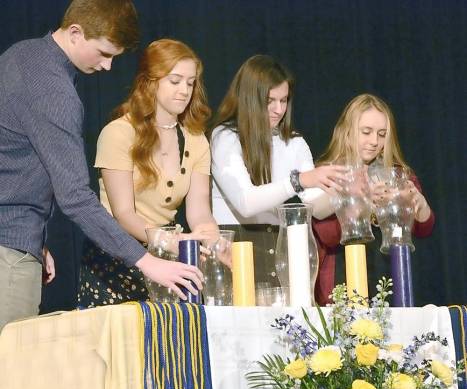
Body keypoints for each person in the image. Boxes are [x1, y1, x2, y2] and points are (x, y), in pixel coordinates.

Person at [0, 0, 202, 330]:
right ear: (75, 33)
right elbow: (76, 198)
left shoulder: (22, 55)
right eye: (104, 53)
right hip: (8, 252)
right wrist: (147, 262)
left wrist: (32, 240)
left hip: (14, 240)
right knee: (10, 374)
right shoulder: (54, 89)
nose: (107, 66)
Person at [78, 39, 218, 307]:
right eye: (175, 81)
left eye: (190, 83)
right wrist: (166, 240)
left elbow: (199, 212)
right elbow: (124, 214)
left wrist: (210, 238)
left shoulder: (196, 139)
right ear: (150, 82)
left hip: (166, 259)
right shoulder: (118, 133)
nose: (184, 91)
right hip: (116, 259)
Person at [210, 54, 347, 295]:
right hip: (234, 251)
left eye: (284, 100)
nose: (278, 109)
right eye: (270, 100)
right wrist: (298, 181)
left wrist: (344, 192)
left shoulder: (293, 142)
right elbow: (246, 202)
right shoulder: (225, 138)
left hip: (282, 249)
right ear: (249, 98)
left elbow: (317, 206)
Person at [314, 93, 435, 304]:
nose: (374, 141)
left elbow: (424, 229)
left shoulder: (399, 175)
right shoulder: (328, 174)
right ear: (347, 131)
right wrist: (364, 202)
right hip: (342, 284)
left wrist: (420, 206)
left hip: (389, 278)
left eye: (381, 134)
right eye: (366, 132)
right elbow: (327, 235)